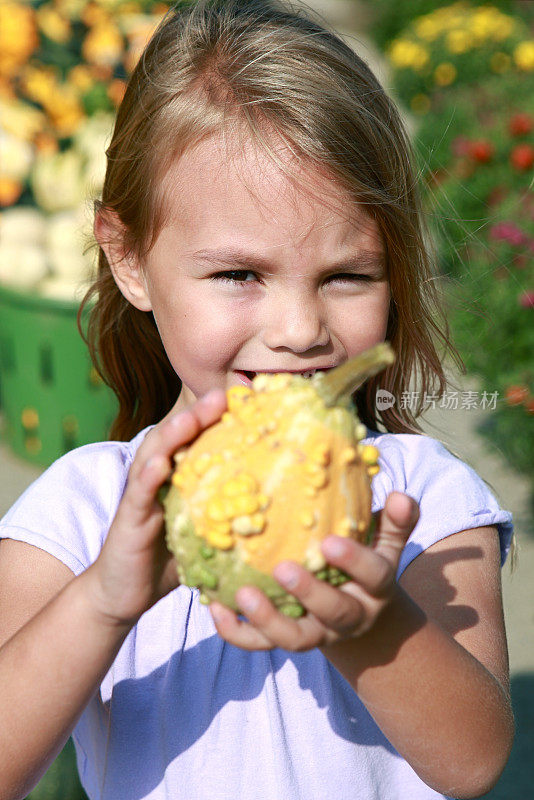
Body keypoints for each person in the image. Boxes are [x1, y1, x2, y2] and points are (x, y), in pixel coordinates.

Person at [0, 1, 514, 798]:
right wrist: (103, 599)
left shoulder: (421, 495)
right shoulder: (86, 509)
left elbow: (475, 758)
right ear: (130, 259)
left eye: (347, 276)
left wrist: (368, 623)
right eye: (240, 275)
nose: (300, 329)